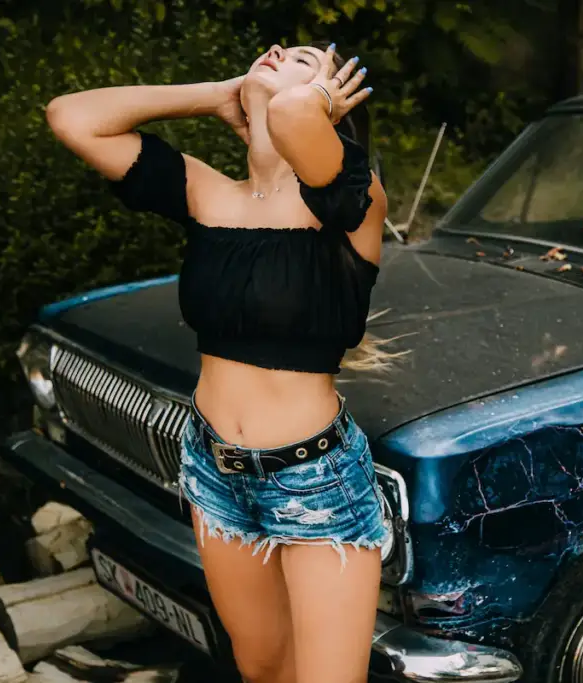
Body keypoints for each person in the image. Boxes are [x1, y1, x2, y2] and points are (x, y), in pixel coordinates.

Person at [46, 42, 392, 683]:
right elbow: (72, 117)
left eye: (305, 58)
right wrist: (216, 94)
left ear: (333, 100)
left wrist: (301, 102)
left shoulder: (348, 199)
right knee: (260, 667)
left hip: (314, 483)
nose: (279, 51)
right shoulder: (209, 194)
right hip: (213, 470)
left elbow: (292, 121)